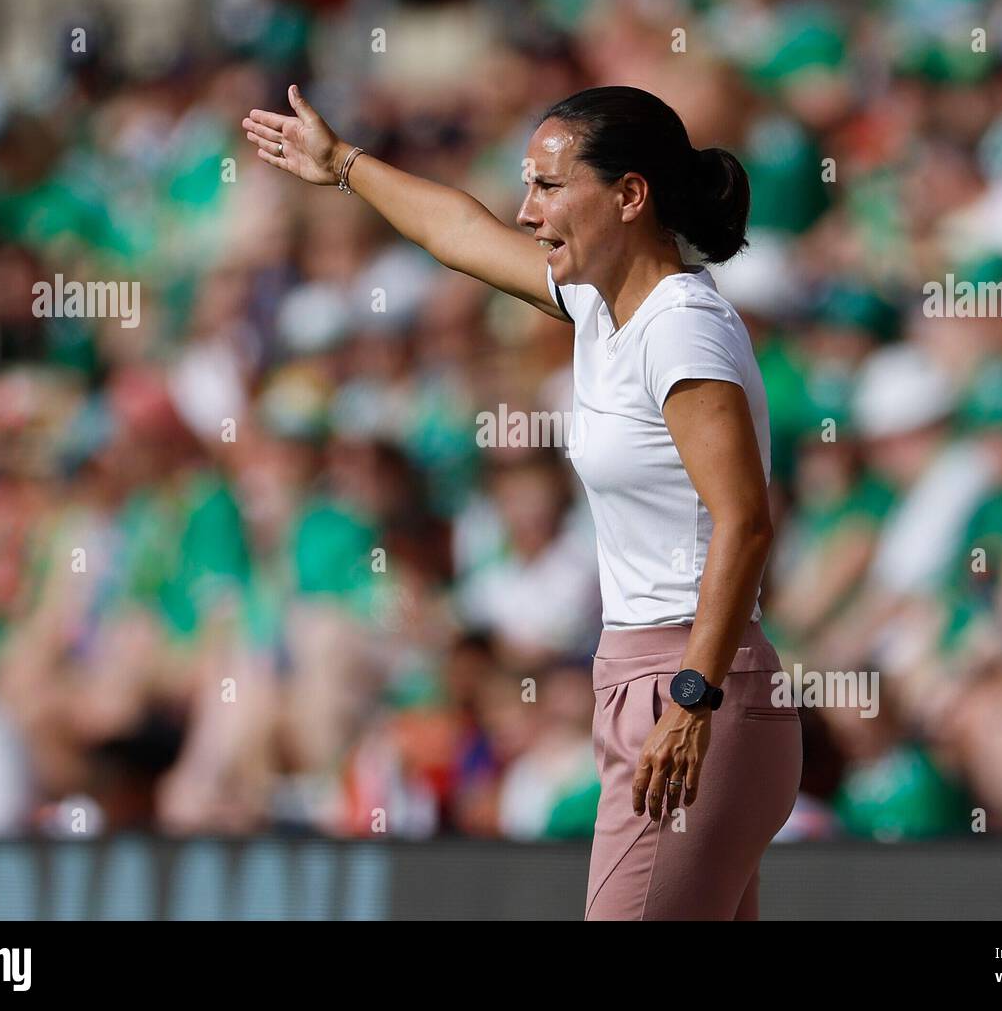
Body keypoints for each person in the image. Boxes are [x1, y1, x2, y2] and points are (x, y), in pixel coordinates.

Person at [242, 83, 801, 920]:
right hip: (653, 686)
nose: (527, 208)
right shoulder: (601, 308)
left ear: (630, 195)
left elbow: (747, 520)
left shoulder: (680, 324)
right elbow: (457, 232)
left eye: (547, 185)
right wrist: (343, 164)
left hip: (692, 692)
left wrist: (692, 697)